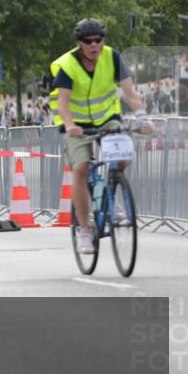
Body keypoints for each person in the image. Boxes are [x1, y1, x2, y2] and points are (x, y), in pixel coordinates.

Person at [49, 18, 152, 255]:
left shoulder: (113, 58)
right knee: (81, 168)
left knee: (122, 154)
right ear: (79, 43)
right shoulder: (68, 65)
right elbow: (63, 103)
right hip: (76, 124)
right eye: (88, 41)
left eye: (99, 40)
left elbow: (130, 93)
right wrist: (70, 124)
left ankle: (112, 186)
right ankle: (85, 229)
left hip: (107, 117)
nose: (94, 45)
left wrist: (143, 119)